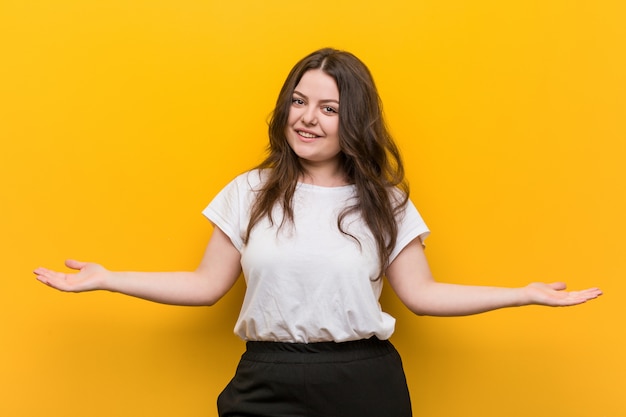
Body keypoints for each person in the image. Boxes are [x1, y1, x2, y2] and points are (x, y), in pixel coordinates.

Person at [34, 48, 602, 417]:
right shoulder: (249, 191)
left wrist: (523, 294)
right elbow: (206, 284)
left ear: (353, 120)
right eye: (299, 102)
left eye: (328, 108)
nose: (308, 117)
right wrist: (109, 279)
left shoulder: (386, 201)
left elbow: (424, 295)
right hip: (266, 376)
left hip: (363, 385)